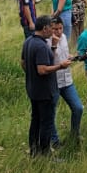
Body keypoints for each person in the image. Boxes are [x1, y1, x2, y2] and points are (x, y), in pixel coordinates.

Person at [21, 16, 74, 155]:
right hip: (45, 91)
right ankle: (45, 153)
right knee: (46, 122)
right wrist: (60, 66)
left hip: (33, 89)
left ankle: (34, 149)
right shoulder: (41, 46)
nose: (53, 30)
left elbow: (23, 63)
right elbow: (42, 69)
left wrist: (30, 74)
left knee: (36, 120)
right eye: (51, 27)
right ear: (45, 28)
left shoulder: (28, 41)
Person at [48, 17, 84, 147]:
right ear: (49, 28)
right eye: (55, 29)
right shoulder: (46, 40)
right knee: (51, 112)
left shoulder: (63, 37)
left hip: (67, 80)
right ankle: (54, 141)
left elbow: (64, 54)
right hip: (53, 82)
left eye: (60, 28)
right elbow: (47, 62)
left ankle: (75, 135)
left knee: (78, 108)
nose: (58, 31)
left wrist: (73, 57)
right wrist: (53, 45)